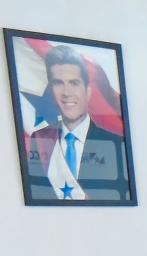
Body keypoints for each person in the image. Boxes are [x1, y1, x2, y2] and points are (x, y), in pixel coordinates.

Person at [24, 45, 131, 202]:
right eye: (58, 83)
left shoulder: (113, 141)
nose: (66, 93)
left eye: (74, 83)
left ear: (88, 91)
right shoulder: (40, 139)